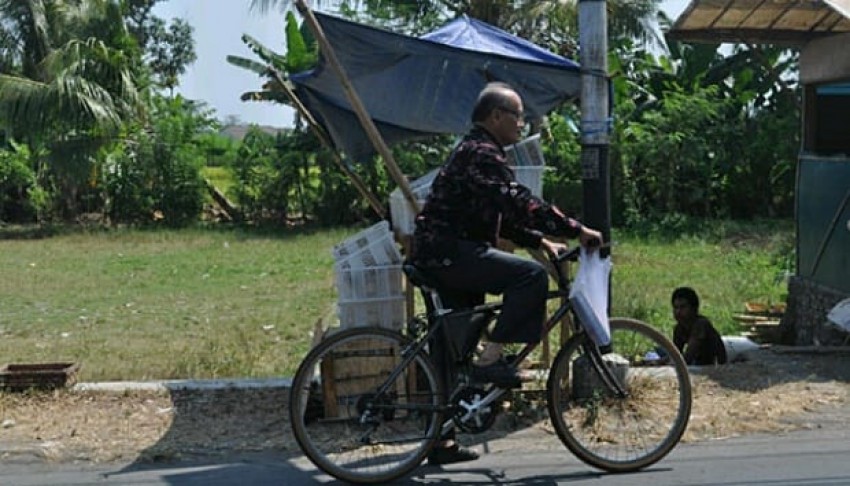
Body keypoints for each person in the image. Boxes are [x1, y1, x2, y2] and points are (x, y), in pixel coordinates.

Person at [409, 82, 602, 465]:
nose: (523, 122)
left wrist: (540, 241)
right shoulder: (482, 153)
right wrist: (575, 229)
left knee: (453, 351)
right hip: (452, 254)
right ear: (496, 116)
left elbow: (495, 212)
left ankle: (441, 442)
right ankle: (492, 360)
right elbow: (516, 201)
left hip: (444, 254)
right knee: (529, 278)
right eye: (517, 115)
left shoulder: (474, 151)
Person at [672, 287, 728, 366]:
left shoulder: (701, 325)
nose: (678, 312)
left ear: (694, 308)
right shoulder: (679, 329)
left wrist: (669, 363)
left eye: (683, 307)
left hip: (713, 365)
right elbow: (675, 353)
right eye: (675, 307)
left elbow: (688, 357)